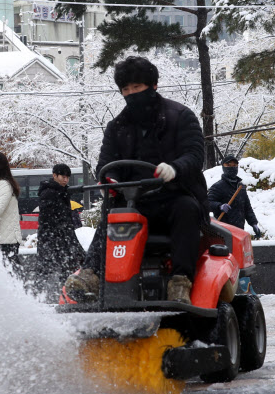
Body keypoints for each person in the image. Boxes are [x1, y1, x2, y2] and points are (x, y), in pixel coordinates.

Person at [65, 56, 209, 304]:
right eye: (126, 89)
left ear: (153, 86)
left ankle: (180, 281)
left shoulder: (181, 116)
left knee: (186, 208)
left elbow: (195, 155)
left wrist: (175, 168)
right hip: (134, 202)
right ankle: (91, 274)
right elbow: (107, 163)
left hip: (174, 197)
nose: (131, 94)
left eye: (137, 87)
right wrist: (108, 179)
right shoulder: (116, 126)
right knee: (112, 215)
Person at [36, 164, 86, 299]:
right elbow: (50, 218)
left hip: (60, 237)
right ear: (54, 175)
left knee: (63, 267)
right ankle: (58, 296)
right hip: (54, 238)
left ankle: (62, 295)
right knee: (56, 268)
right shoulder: (50, 193)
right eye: (63, 177)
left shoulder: (60, 191)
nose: (66, 180)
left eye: (67, 177)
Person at [208, 155, 262, 238]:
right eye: (228, 165)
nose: (232, 168)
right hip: (223, 231)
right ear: (223, 167)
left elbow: (247, 207)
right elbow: (207, 203)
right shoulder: (218, 186)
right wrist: (219, 206)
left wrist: (253, 223)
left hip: (239, 231)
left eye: (234, 166)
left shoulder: (240, 187)